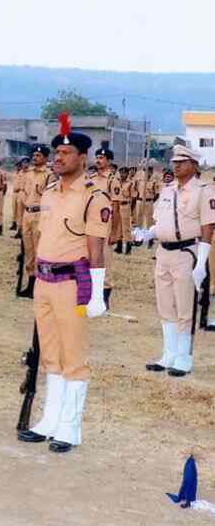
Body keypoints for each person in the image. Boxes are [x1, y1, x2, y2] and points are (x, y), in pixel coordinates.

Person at [17, 127, 109, 453]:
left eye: (66, 153)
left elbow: (96, 249)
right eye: (56, 152)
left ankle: (70, 427)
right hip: (44, 281)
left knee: (74, 356)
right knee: (51, 354)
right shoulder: (49, 192)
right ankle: (50, 420)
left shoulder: (94, 197)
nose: (58, 157)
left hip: (72, 283)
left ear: (82, 158)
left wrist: (97, 293)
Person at [136, 145, 215, 377]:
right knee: (165, 305)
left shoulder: (203, 191)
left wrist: (201, 262)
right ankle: (168, 353)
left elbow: (207, 227)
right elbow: (160, 221)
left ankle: (183, 356)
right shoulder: (168, 190)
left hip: (186, 252)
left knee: (184, 307)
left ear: (194, 165)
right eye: (174, 162)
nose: (176, 165)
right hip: (163, 252)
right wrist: (148, 233)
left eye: (182, 161)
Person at [17, 145, 52, 298]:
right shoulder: (29, 174)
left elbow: (51, 198)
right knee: (29, 251)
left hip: (40, 214)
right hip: (27, 214)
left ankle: (40, 285)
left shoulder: (49, 175)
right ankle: (30, 285)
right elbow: (23, 194)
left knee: (40, 251)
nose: (35, 157)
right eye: (34, 155)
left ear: (45, 158)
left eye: (38, 155)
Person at [92, 147, 120, 309]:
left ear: (109, 161)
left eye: (101, 158)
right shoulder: (92, 178)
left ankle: (105, 297)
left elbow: (116, 207)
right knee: (92, 259)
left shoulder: (112, 180)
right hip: (91, 224)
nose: (98, 160)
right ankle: (93, 295)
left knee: (105, 260)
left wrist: (115, 232)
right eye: (97, 157)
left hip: (105, 225)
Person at [112, 166, 133, 255]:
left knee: (126, 228)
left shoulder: (130, 183)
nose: (122, 174)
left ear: (127, 174)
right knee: (118, 227)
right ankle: (119, 247)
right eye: (121, 173)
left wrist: (132, 209)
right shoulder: (117, 182)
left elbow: (133, 197)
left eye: (124, 173)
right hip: (117, 205)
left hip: (125, 205)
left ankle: (128, 248)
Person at [11, 157, 29, 235]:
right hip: (19, 193)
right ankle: (19, 231)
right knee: (19, 213)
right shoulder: (20, 173)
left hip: (26, 193)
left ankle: (24, 231)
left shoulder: (30, 173)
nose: (25, 164)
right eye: (23, 163)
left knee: (26, 214)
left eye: (26, 163)